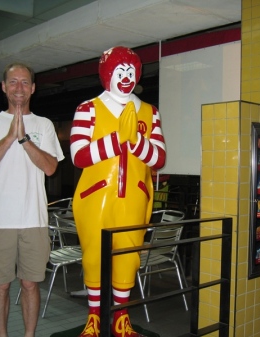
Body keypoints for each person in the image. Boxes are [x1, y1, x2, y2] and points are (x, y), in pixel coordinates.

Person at [70, 46, 166, 337]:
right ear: (107, 74)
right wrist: (116, 140)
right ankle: (95, 317)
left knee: (128, 256)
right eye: (119, 71)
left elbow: (159, 158)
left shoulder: (149, 112)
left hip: (134, 197)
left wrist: (135, 141)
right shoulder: (87, 108)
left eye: (130, 72)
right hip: (95, 197)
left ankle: (121, 317)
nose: (126, 78)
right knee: (94, 256)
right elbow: (78, 155)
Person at [0, 62, 65, 337]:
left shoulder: (44, 125)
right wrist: (10, 136)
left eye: (25, 82)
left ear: (33, 88)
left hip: (33, 220)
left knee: (30, 284)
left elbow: (49, 167)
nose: (19, 87)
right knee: (0, 286)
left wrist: (24, 139)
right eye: (13, 82)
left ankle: (29, 336)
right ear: (4, 87)